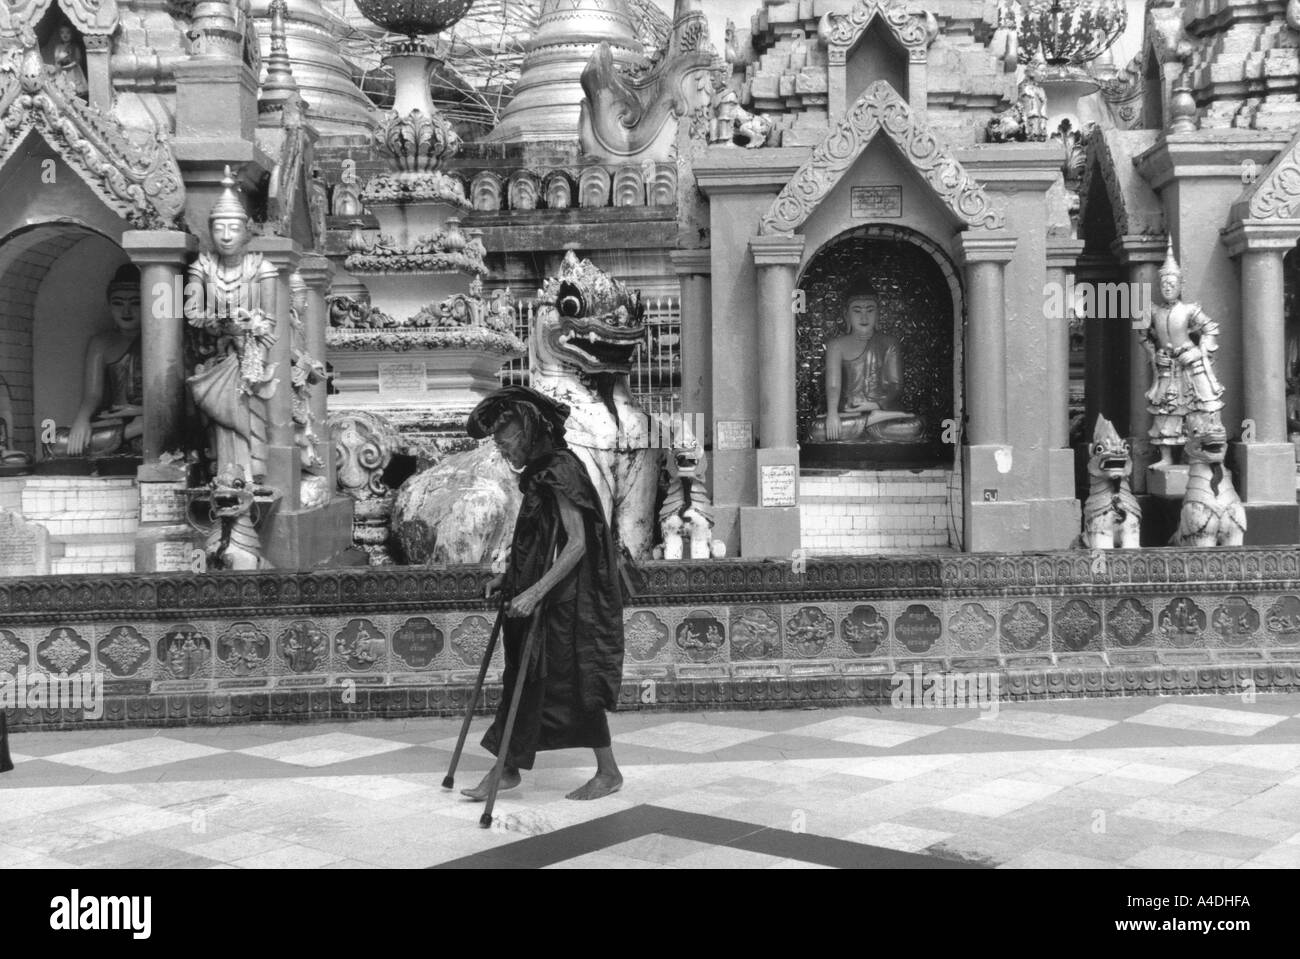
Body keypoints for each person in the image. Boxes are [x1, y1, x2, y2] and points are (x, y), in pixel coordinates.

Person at [459, 386, 626, 803]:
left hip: (563, 605)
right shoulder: (540, 471)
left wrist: (534, 592)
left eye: (506, 438)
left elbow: (576, 544)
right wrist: (511, 578)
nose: (501, 448)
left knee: (567, 684)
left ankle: (607, 772)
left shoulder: (560, 471)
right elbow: (538, 540)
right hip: (539, 596)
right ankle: (509, 768)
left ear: (530, 431)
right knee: (527, 681)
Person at [1138, 241, 1224, 467]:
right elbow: (1143, 335)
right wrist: (1154, 354)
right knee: (1165, 410)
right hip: (1167, 366)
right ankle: (1166, 456)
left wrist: (1198, 353)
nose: (1167, 288)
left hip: (1191, 364)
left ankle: (1196, 452)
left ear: (1180, 285)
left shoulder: (1189, 310)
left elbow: (1210, 329)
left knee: (1201, 407)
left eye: (1172, 283)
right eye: (1164, 284)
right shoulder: (1153, 312)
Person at [808, 284, 926, 443]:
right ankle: (868, 423)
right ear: (846, 315)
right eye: (857, 311)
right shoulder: (836, 345)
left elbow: (895, 385)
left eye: (870, 310)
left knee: (914, 426)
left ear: (878, 315)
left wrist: (874, 405)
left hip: (881, 413)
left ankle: (868, 424)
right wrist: (832, 415)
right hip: (848, 415)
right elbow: (833, 386)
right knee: (817, 429)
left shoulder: (890, 343)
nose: (864, 317)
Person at [62, 265, 144, 457]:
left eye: (135, 302)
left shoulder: (159, 339)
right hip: (113, 421)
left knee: (160, 431)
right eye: (118, 303)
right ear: (109, 305)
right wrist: (81, 420)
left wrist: (142, 410)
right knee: (55, 440)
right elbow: (92, 395)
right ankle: (133, 431)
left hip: (150, 417)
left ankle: (139, 428)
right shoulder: (101, 343)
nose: (126, 310)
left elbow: (174, 397)